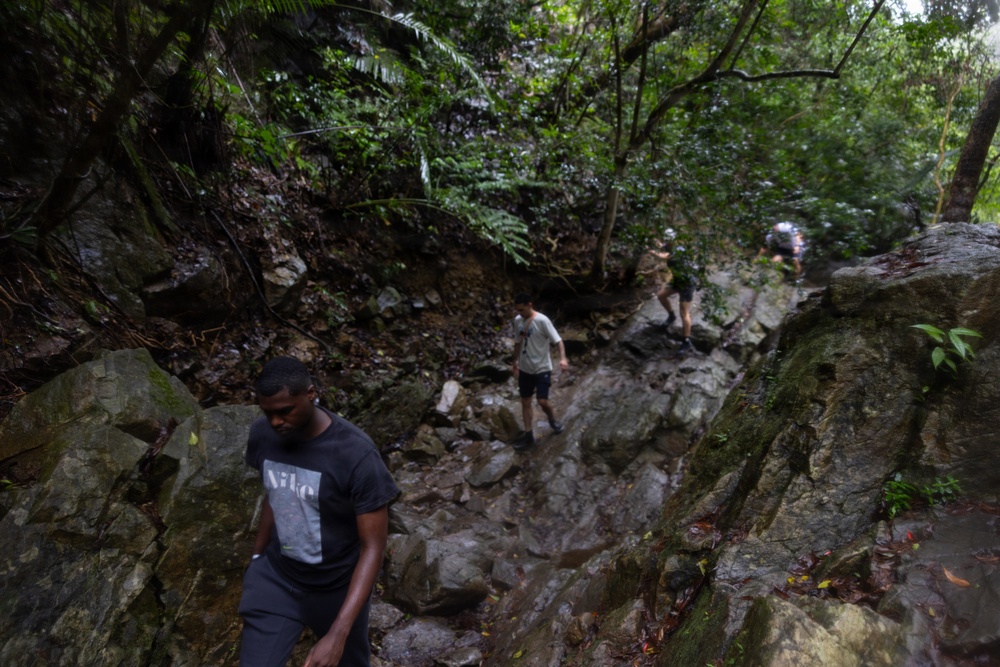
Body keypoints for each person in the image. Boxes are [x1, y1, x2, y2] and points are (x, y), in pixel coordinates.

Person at [239, 356, 400, 667]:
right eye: (267, 412)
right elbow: (276, 494)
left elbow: (373, 546)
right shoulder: (262, 435)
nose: (275, 422)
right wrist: (257, 558)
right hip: (277, 577)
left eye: (285, 411)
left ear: (311, 394)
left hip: (336, 586)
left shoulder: (356, 454)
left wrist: (338, 633)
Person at [511, 293, 569, 449]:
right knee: (525, 401)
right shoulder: (517, 321)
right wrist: (514, 361)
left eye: (522, 310)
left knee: (542, 400)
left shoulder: (542, 321)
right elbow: (517, 342)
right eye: (517, 310)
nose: (519, 313)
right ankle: (529, 436)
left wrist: (563, 358)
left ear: (530, 305)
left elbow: (558, 340)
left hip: (542, 367)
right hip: (525, 368)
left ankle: (552, 420)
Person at [648, 231, 697, 355]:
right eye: (666, 239)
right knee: (661, 295)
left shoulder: (678, 250)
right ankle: (671, 316)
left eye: (669, 239)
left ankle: (686, 341)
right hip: (677, 280)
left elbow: (663, 256)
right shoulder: (668, 246)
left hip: (687, 283)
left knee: (684, 312)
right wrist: (650, 238)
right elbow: (661, 246)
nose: (667, 241)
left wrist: (651, 251)